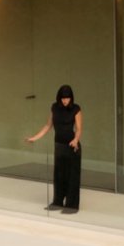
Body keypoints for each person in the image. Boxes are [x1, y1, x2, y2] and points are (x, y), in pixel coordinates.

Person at [27, 84, 82, 214]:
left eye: (67, 98)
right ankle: (57, 201)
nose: (65, 101)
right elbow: (47, 126)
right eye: (63, 98)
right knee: (59, 175)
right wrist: (34, 138)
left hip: (72, 147)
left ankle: (71, 205)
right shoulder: (54, 108)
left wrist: (75, 140)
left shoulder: (76, 109)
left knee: (72, 176)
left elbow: (79, 128)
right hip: (59, 146)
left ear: (71, 98)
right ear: (59, 98)